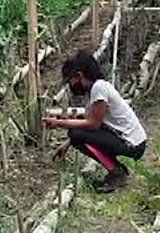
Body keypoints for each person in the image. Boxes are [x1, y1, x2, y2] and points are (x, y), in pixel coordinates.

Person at [43, 50, 149, 192]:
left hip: (132, 144)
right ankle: (116, 169)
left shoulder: (99, 88)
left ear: (80, 76)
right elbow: (89, 123)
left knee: (76, 134)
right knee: (75, 135)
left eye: (70, 81)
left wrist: (59, 124)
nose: (71, 86)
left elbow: (93, 124)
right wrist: (66, 145)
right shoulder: (96, 89)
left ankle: (117, 173)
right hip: (129, 139)